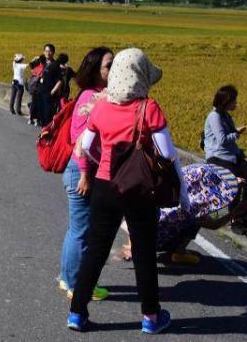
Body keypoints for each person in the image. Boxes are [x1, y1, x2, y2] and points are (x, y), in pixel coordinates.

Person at [69, 48, 187, 335]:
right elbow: (168, 154)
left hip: (104, 186)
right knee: (144, 253)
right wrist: (181, 190)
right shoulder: (149, 108)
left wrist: (106, 159)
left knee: (95, 251)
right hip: (138, 189)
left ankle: (76, 314)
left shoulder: (100, 106)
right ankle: (151, 317)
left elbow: (84, 144)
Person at [58, 47, 113, 303]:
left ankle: (67, 277)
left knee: (78, 229)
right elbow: (78, 139)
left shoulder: (100, 95)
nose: (113, 71)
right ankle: (75, 285)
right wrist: (84, 174)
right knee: (82, 231)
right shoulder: (90, 98)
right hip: (82, 171)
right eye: (108, 66)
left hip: (85, 171)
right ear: (95, 71)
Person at [203, 85, 247, 232]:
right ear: (226, 101)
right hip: (218, 156)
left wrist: (239, 148)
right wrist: (238, 133)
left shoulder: (226, 115)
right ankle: (234, 219)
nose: (236, 103)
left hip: (232, 155)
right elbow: (222, 140)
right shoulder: (214, 116)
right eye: (234, 101)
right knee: (236, 183)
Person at [157, 163, 241, 264]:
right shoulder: (192, 206)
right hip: (157, 240)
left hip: (140, 234)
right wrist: (238, 210)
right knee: (197, 219)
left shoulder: (174, 185)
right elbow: (215, 225)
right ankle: (179, 252)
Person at [36, 43, 61, 126]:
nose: (47, 53)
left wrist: (52, 92)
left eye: (49, 51)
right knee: (41, 114)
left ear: (53, 52)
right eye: (46, 51)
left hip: (48, 94)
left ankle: (47, 135)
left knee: (47, 116)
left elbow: (60, 81)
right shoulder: (43, 63)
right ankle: (43, 133)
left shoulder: (55, 65)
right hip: (40, 92)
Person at [26, 55, 46, 126]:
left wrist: (35, 58)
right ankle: (37, 120)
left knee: (33, 104)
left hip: (33, 89)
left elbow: (30, 64)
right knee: (39, 105)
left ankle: (30, 119)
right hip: (39, 89)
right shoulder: (44, 68)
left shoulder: (35, 68)